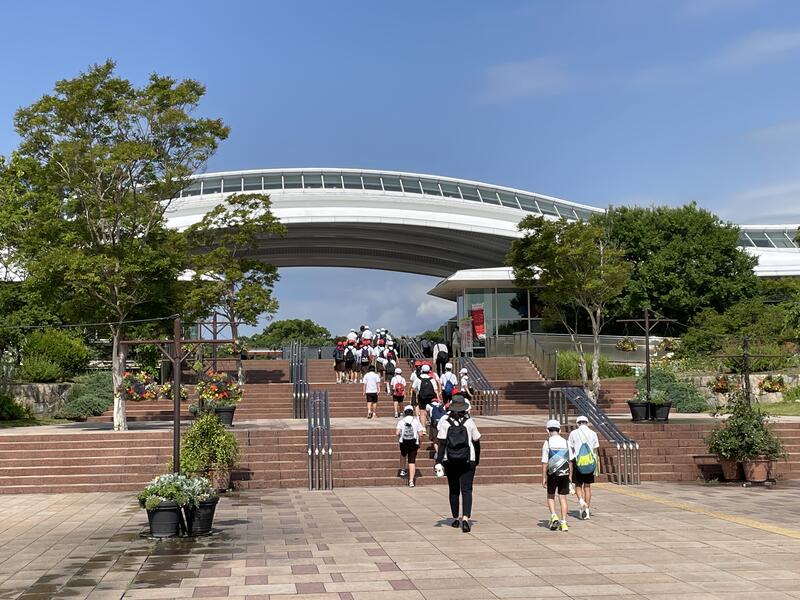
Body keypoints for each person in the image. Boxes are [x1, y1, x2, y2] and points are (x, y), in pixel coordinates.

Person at [435, 395, 481, 533]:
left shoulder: (445, 423)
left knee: (454, 490)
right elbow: (477, 441)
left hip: (450, 460)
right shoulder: (469, 422)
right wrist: (476, 459)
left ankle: (455, 518)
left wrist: (438, 462)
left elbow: (442, 444)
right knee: (467, 490)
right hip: (468, 459)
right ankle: (465, 519)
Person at [542, 419, 572, 532]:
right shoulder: (566, 442)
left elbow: (544, 462)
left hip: (552, 473)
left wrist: (544, 477)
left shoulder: (547, 443)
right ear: (560, 430)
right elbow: (570, 461)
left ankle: (554, 515)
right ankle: (564, 523)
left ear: (547, 430)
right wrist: (570, 476)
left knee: (551, 495)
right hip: (564, 473)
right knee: (563, 497)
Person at [568, 415, 600, 520]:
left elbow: (570, 449)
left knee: (578, 484)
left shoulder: (573, 433)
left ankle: (581, 500)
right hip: (590, 462)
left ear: (577, 423)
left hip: (578, 462)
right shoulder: (593, 433)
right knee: (587, 486)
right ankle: (587, 511)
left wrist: (571, 461)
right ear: (587, 423)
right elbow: (595, 449)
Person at [397, 405, 424, 487]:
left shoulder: (401, 421)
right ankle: (411, 481)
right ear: (412, 412)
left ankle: (403, 469)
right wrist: (420, 443)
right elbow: (421, 434)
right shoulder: (416, 421)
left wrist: (401, 436)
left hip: (403, 442)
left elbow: (397, 433)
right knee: (412, 461)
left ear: (405, 412)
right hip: (414, 442)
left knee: (403, 455)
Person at [414, 364, 439, 429]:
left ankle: (423, 428)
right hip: (431, 397)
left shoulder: (418, 378)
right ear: (429, 371)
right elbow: (435, 390)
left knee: (422, 411)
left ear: (422, 370)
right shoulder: (432, 379)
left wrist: (417, 393)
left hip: (421, 397)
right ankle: (431, 424)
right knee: (430, 409)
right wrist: (438, 398)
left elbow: (413, 388)